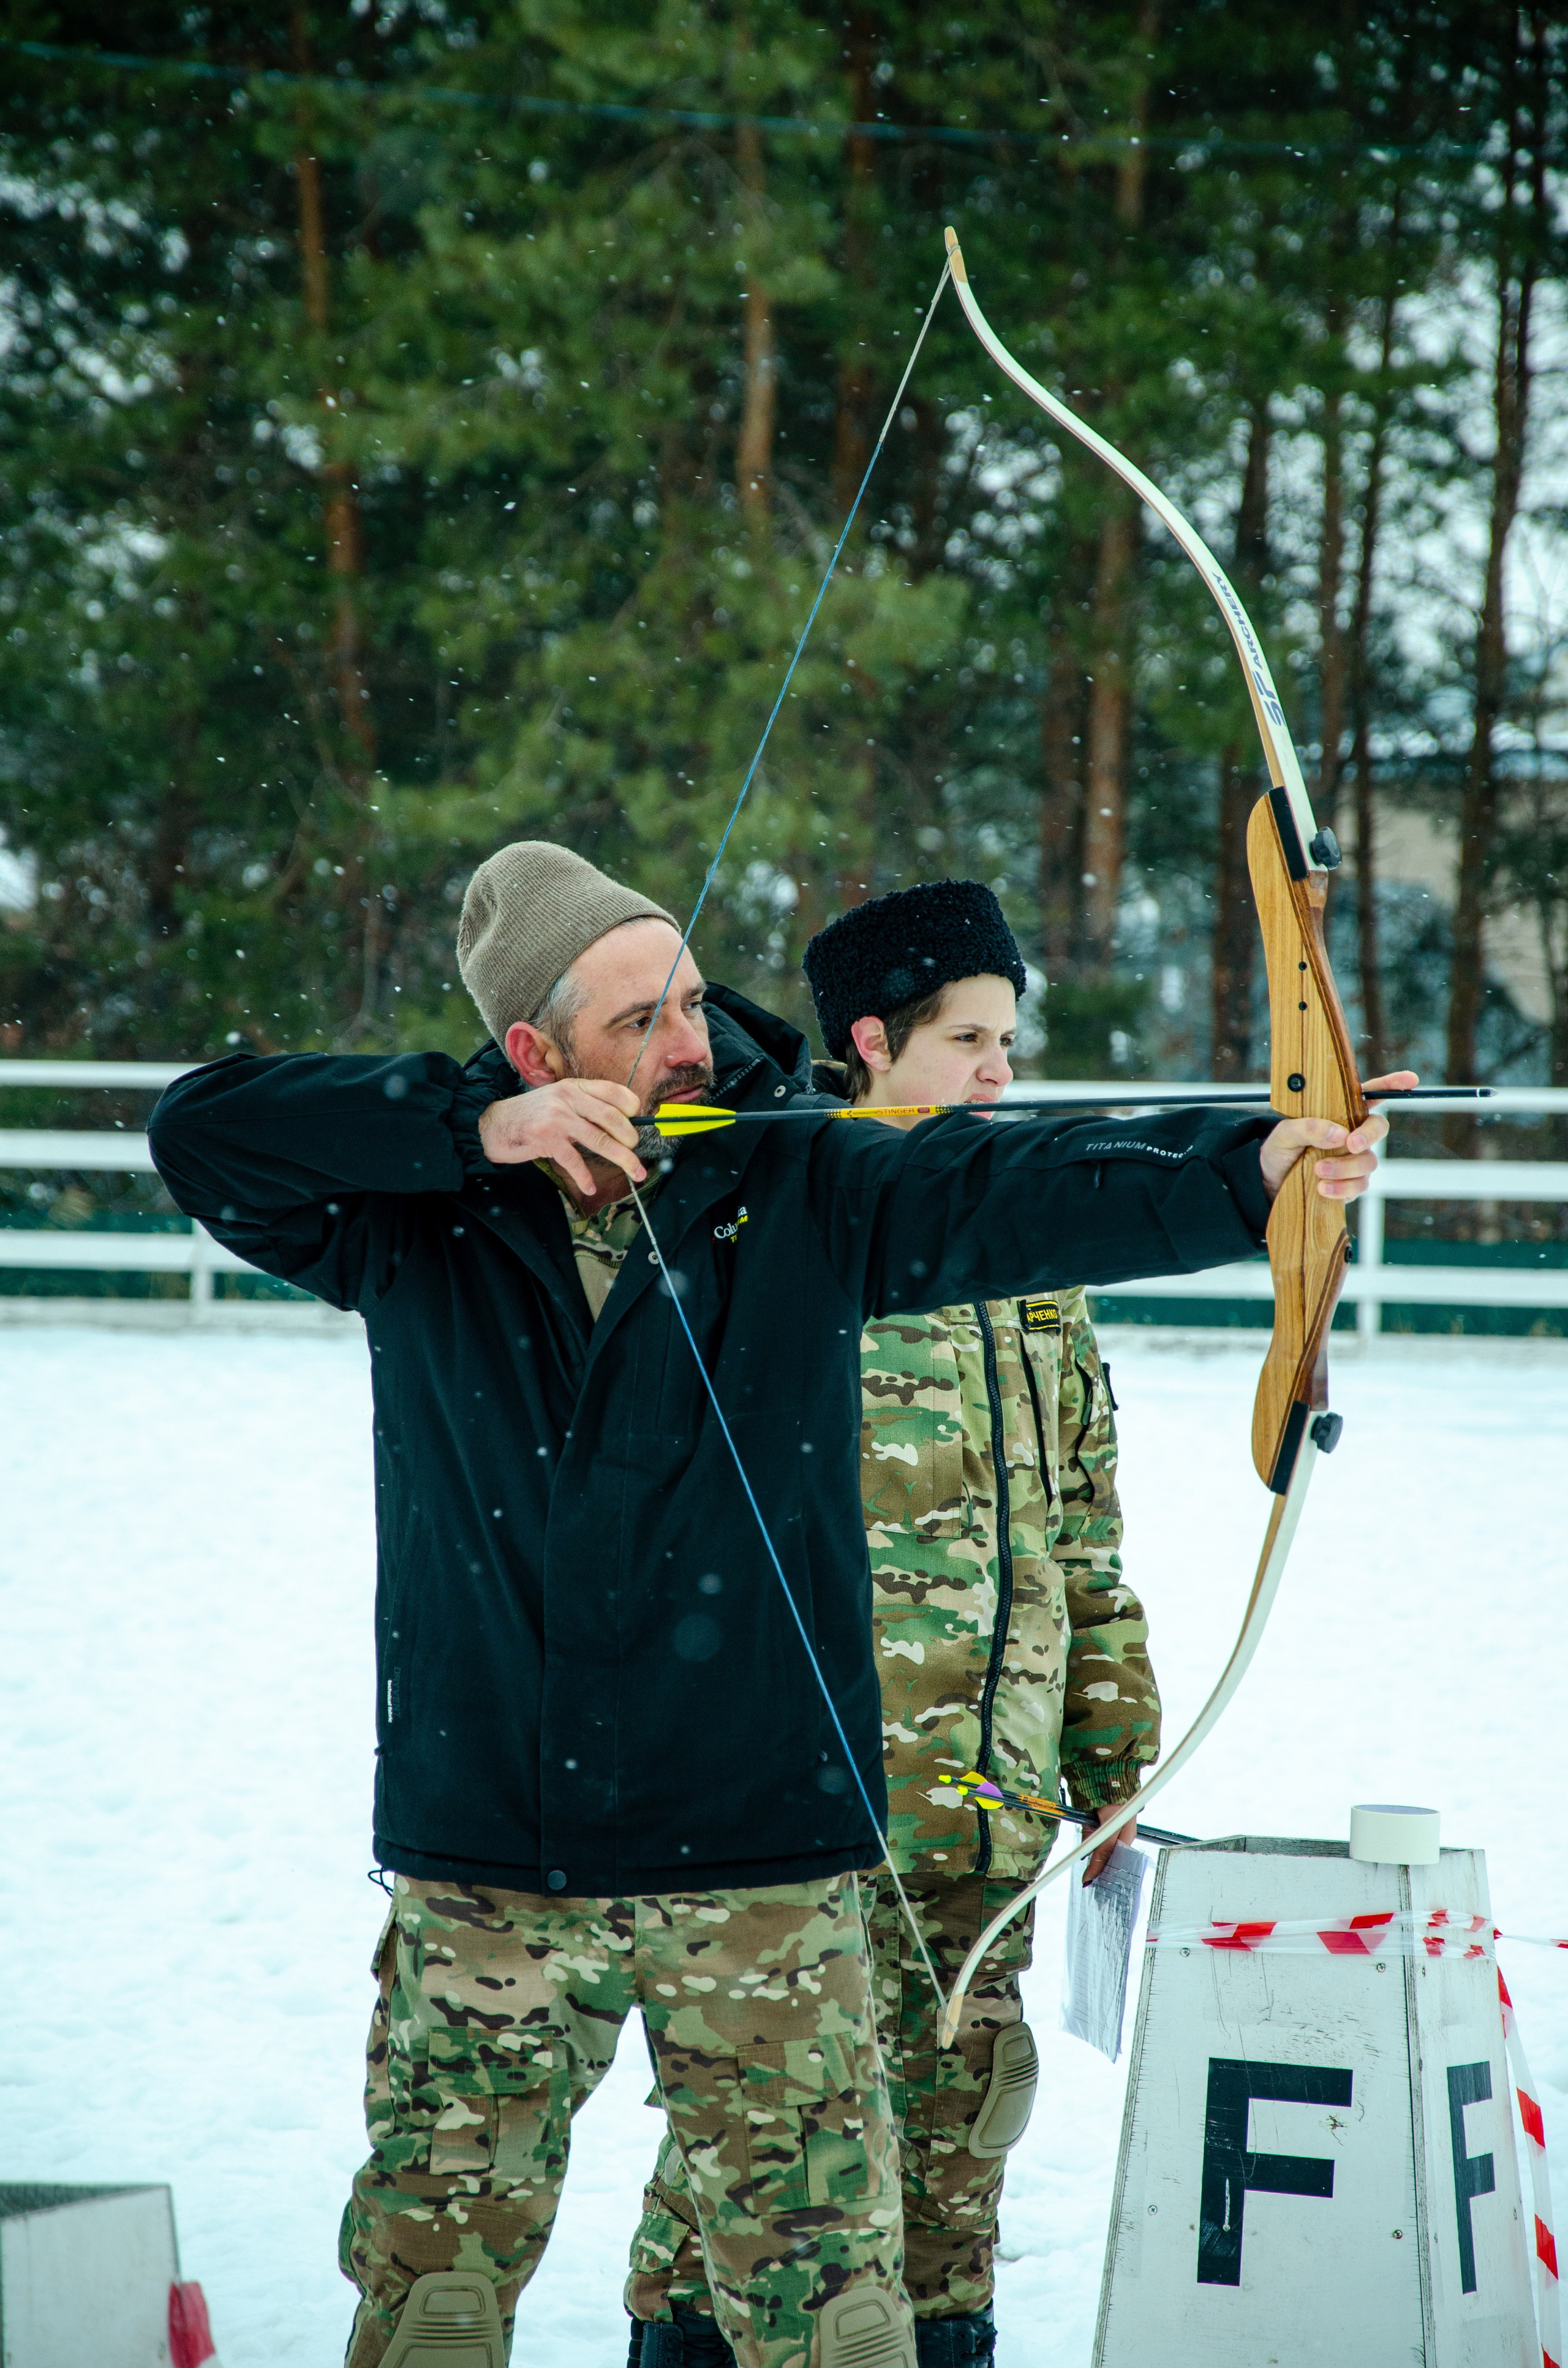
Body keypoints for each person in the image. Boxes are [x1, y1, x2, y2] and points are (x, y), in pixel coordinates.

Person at [147, 844, 1395, 2368]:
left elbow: (1002, 1183)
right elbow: (200, 1129)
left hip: (755, 1858)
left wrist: (1243, 1166)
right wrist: (472, 1130)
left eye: (688, 998)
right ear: (535, 1056)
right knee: (435, 2305)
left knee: (833, 2323)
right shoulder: (413, 1221)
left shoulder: (792, 1179)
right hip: (489, 1852)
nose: (692, 1042)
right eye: (639, 1023)